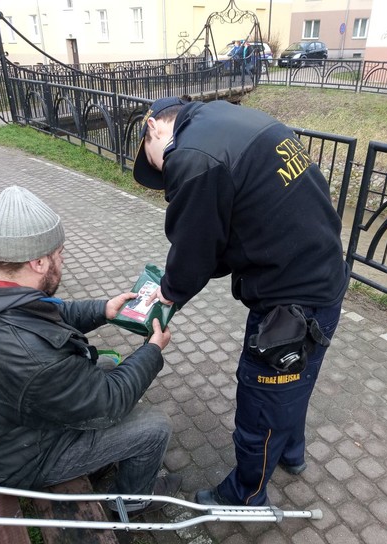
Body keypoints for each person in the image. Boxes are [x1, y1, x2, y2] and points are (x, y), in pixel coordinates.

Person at [132, 96, 350, 507]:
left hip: (290, 303)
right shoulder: (225, 118)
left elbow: (195, 246)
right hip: (325, 278)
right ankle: (292, 453)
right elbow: (227, 229)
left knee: (261, 404)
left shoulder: (194, 156)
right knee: (297, 380)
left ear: (155, 129)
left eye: (157, 163)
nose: (166, 174)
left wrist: (171, 290)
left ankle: (244, 496)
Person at [0, 185, 181, 516]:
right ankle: (135, 501)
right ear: (38, 262)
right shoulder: (31, 355)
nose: (63, 260)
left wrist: (103, 310)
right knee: (154, 426)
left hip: (2, 432)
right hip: (26, 458)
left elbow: (47, 316)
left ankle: (103, 462)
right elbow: (109, 402)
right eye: (60, 253)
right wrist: (153, 351)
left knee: (108, 365)